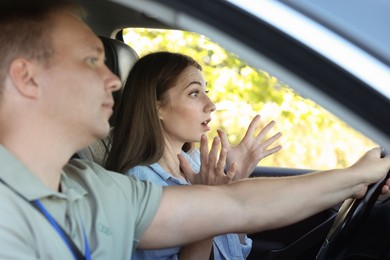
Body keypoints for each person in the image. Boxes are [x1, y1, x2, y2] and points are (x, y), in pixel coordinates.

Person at [1, 1, 390, 259]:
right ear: (27, 78)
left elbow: (237, 206)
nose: (114, 81)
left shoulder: (95, 186)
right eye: (90, 61)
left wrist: (356, 177)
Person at [105, 51, 283, 259]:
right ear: (158, 108)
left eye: (206, 91)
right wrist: (207, 200)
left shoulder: (197, 162)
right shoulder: (141, 183)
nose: (211, 105)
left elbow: (236, 252)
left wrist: (237, 179)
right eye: (194, 93)